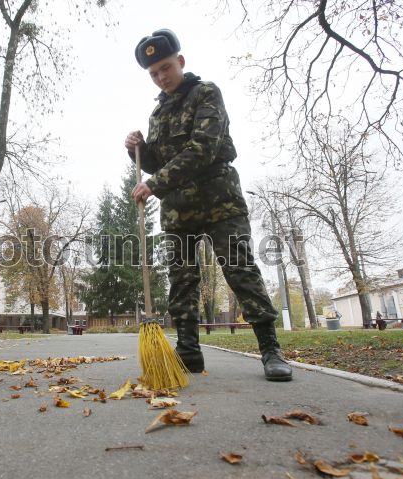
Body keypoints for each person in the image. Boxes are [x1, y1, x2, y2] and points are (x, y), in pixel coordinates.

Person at [124, 29, 292, 381]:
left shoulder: (206, 93)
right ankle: (188, 352)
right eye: (153, 73)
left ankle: (270, 350)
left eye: (165, 68)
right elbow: (157, 163)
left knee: (240, 269)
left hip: (219, 200)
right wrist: (137, 150)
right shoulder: (158, 114)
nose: (161, 77)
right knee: (182, 280)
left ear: (180, 62)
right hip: (178, 209)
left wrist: (154, 183)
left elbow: (203, 148)